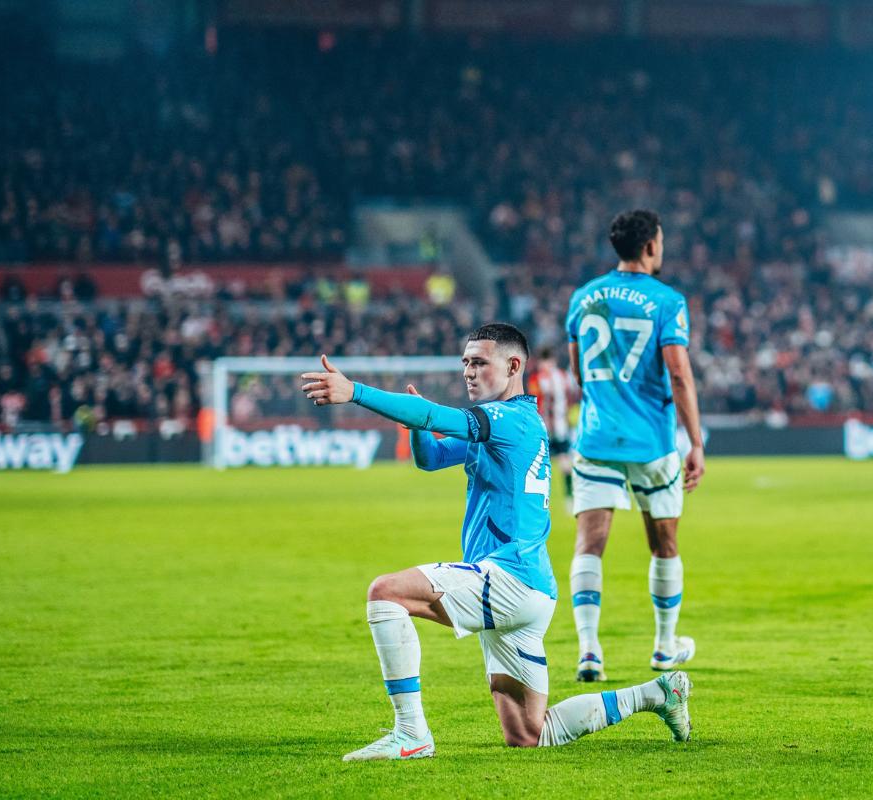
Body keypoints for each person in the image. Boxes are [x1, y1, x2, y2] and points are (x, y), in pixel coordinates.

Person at [300, 322, 692, 761]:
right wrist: (413, 420)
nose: (469, 371)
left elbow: (435, 416)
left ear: (513, 365)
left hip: (506, 576)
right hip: (531, 591)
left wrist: (355, 391)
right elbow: (430, 457)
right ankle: (656, 694)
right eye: (466, 362)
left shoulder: (509, 420)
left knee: (385, 593)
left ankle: (410, 733)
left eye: (479, 362)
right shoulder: (500, 426)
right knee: (530, 733)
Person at [564, 209, 705, 682]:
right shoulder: (667, 301)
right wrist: (697, 442)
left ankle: (589, 650)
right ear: (650, 247)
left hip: (597, 435)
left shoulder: (583, 298)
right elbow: (680, 373)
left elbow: (578, 371)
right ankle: (665, 647)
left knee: (590, 543)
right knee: (664, 544)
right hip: (652, 441)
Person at [527, 347, 578, 504]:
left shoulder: (537, 379)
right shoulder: (562, 376)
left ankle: (566, 496)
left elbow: (535, 401)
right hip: (551, 426)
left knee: (557, 461)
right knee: (554, 461)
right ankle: (561, 496)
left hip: (552, 427)